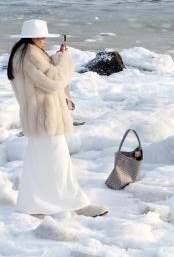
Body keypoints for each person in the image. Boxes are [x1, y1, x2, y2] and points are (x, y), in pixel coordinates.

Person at [7, 19, 106, 217]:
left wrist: (57, 56)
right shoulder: (30, 55)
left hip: (36, 117)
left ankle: (30, 205)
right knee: (60, 164)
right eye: (41, 36)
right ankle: (78, 205)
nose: (44, 40)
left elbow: (43, 73)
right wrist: (65, 59)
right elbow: (53, 81)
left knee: (38, 163)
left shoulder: (22, 53)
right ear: (32, 37)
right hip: (45, 118)